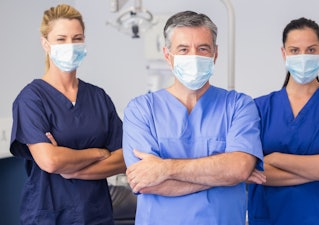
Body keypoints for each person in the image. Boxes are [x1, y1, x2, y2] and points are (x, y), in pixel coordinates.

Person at [123, 10, 265, 225]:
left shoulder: (239, 105)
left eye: (203, 49)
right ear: (167, 54)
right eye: (183, 49)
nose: (194, 57)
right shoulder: (141, 110)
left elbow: (239, 168)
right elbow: (145, 183)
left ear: (215, 54)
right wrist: (222, 176)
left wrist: (165, 168)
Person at [10, 4, 126, 225]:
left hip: (96, 213)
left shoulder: (98, 96)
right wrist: (99, 153)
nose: (70, 45)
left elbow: (123, 159)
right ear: (46, 44)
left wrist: (72, 169)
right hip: (50, 214)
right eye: (61, 39)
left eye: (77, 38)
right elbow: (51, 161)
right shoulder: (32, 99)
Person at [247, 17, 319, 225]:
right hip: (271, 216)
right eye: (295, 50)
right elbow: (252, 172)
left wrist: (274, 158)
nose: (303, 56)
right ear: (284, 53)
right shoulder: (259, 108)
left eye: (311, 50)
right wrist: (316, 166)